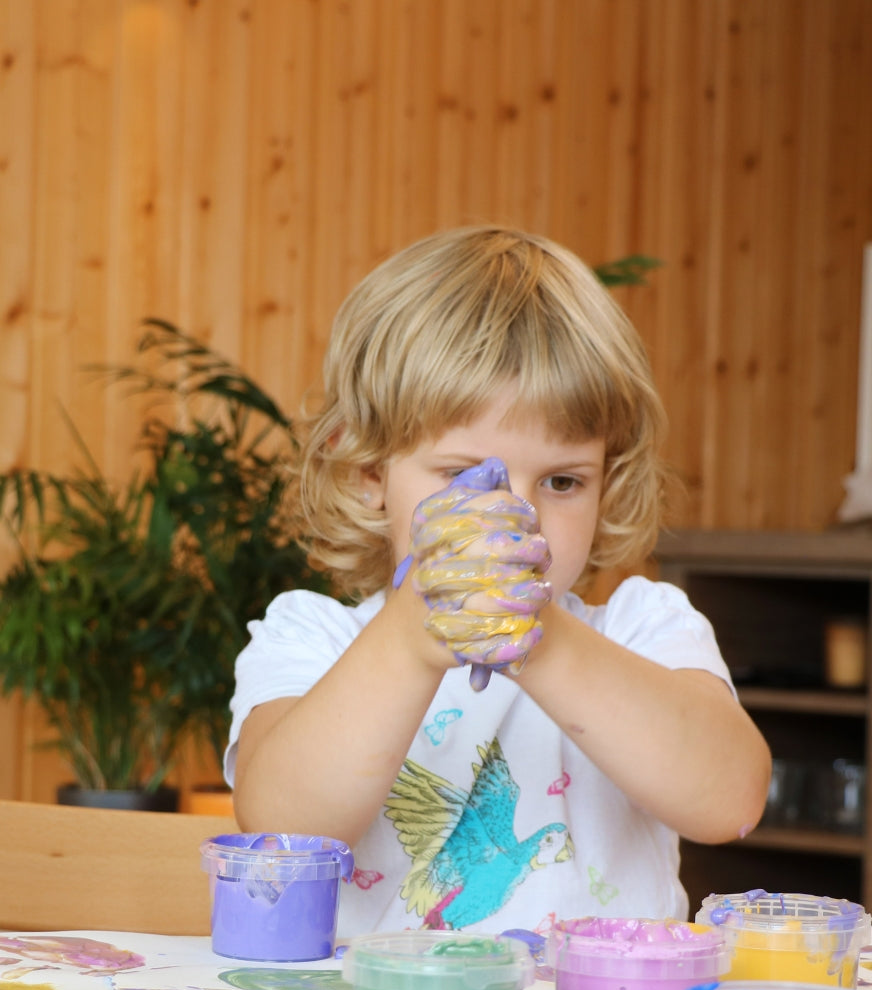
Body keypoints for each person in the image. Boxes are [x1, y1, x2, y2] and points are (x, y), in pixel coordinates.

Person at [226, 225, 771, 937]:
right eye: (459, 475)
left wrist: (542, 640)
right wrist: (406, 642)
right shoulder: (311, 638)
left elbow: (729, 801)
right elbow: (285, 830)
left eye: (563, 480)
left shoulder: (645, 630)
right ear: (368, 474)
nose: (516, 515)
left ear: (608, 485)